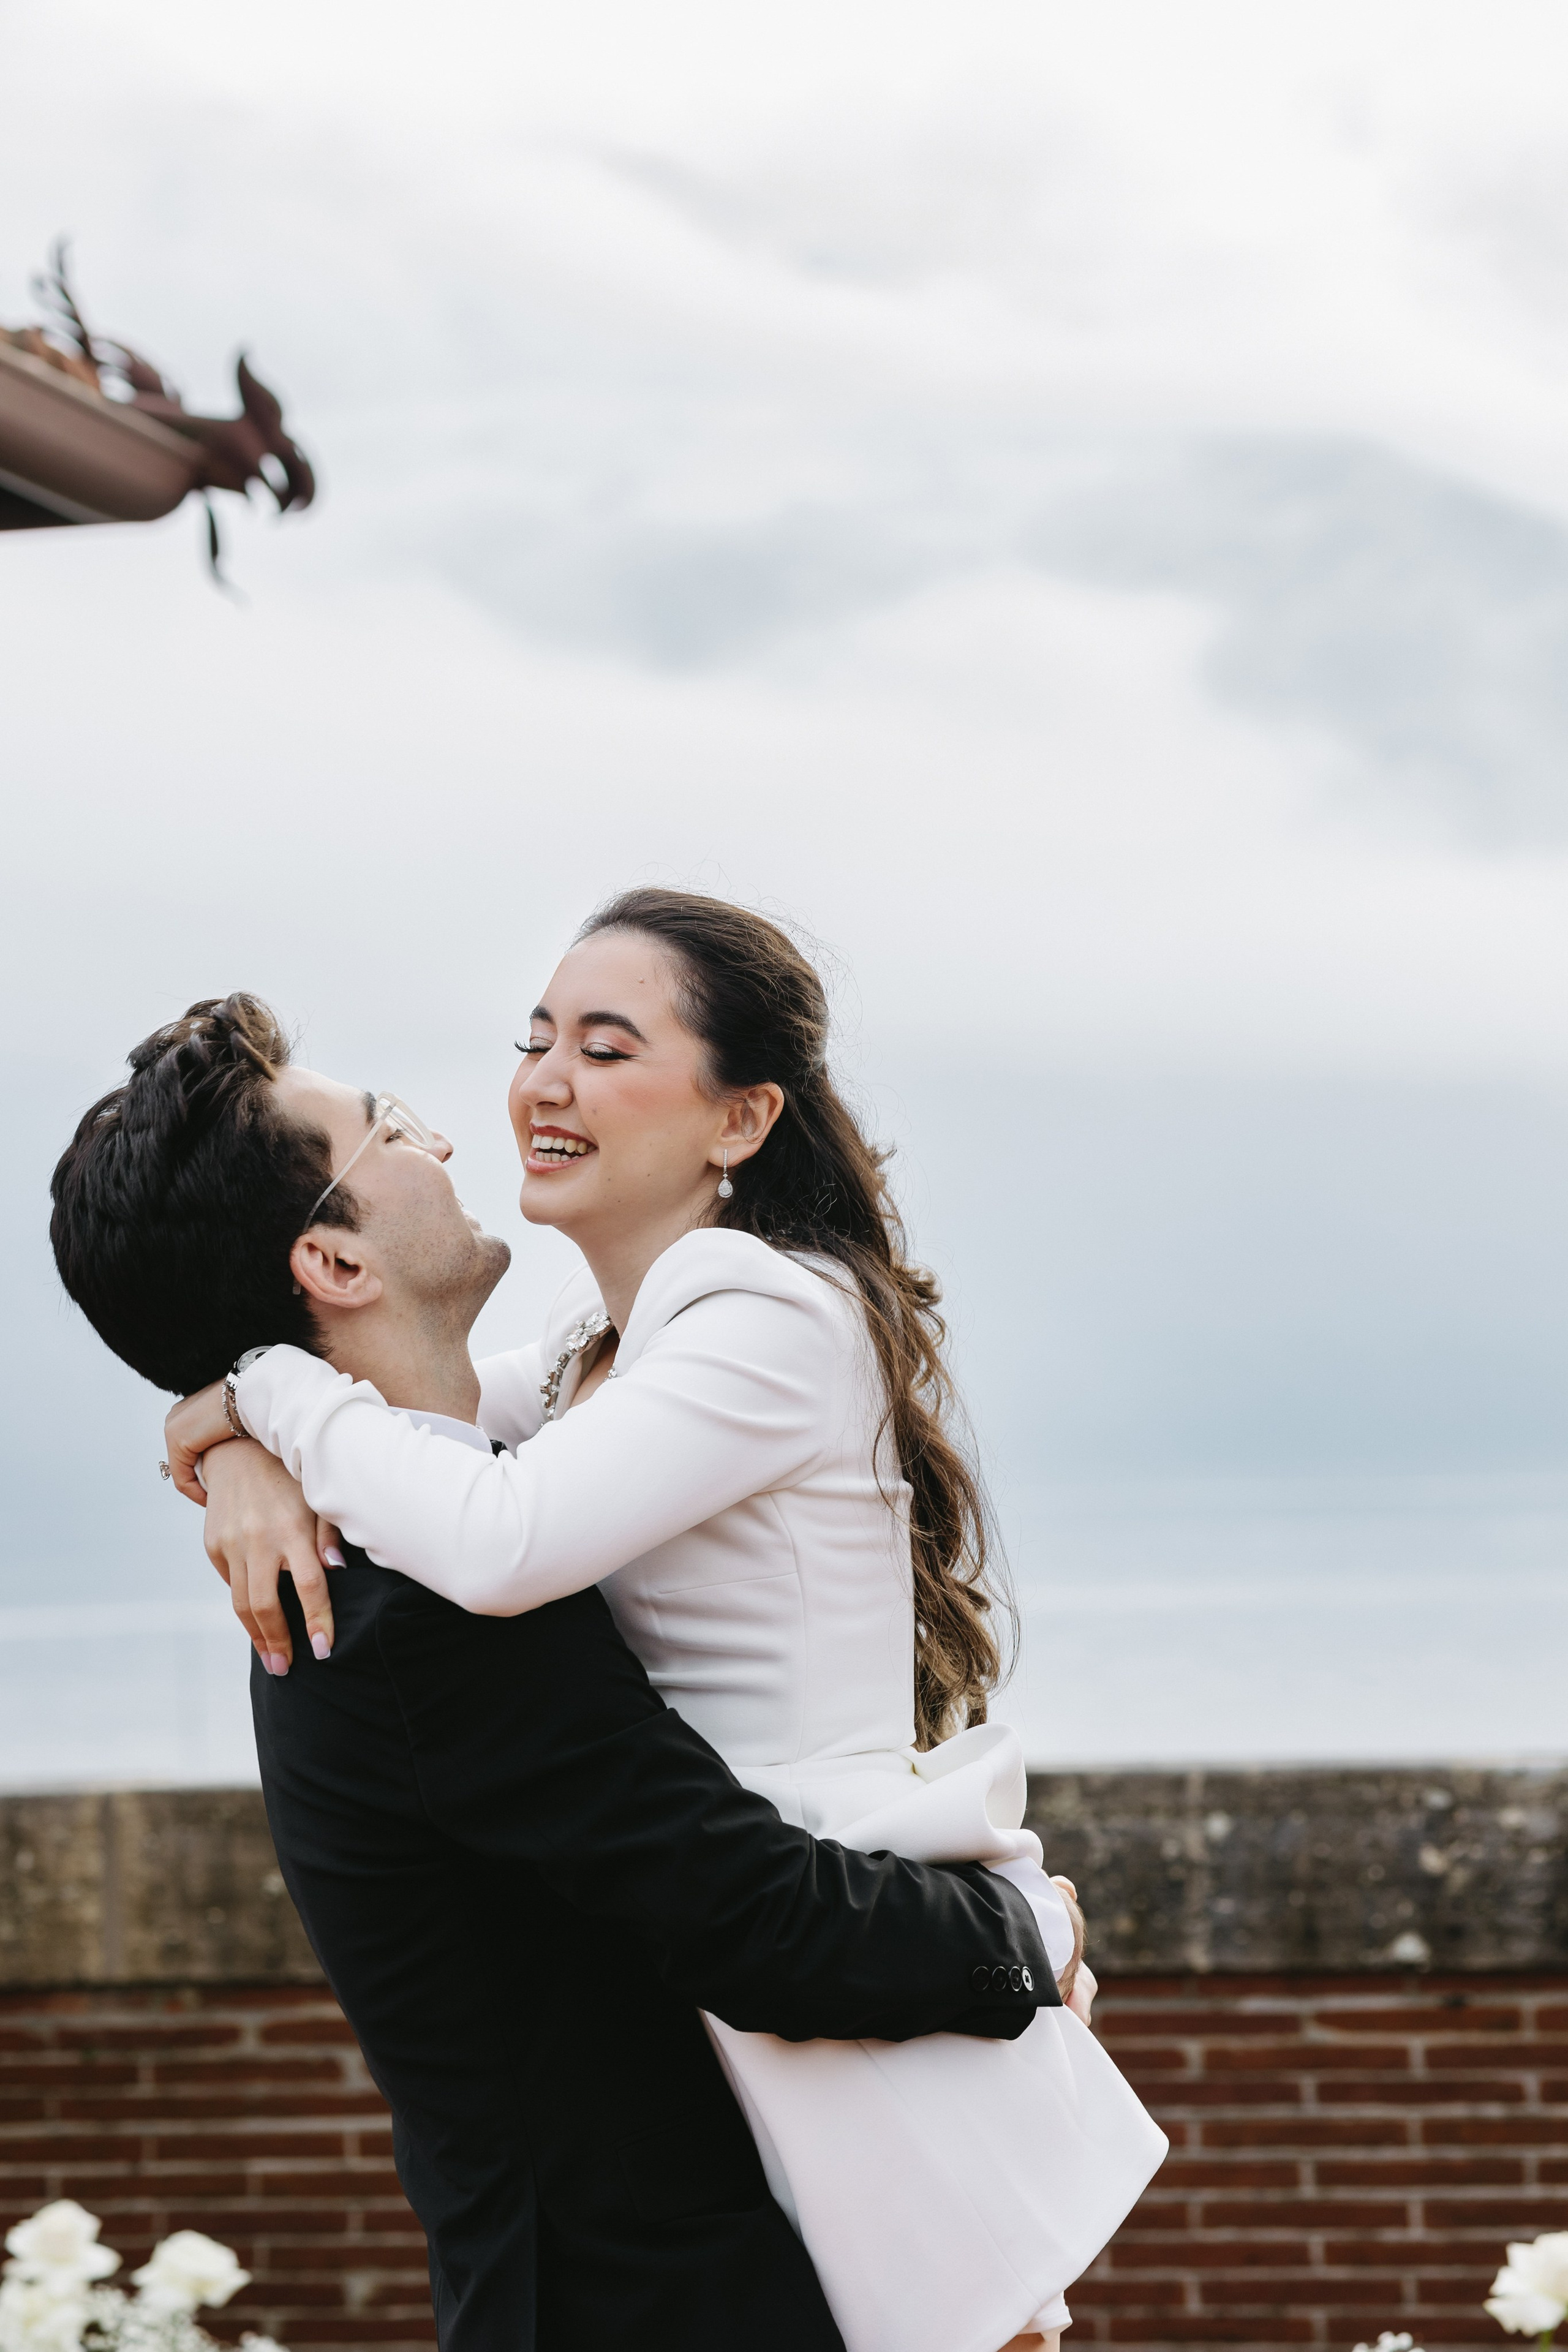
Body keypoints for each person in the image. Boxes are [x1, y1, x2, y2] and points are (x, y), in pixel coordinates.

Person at [163, 891, 1168, 2352]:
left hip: (833, 1939)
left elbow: (487, 1535)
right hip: (739, 1976)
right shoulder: (597, 1353)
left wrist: (259, 1396)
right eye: (535, 1039)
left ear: (739, 1120)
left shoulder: (763, 1312)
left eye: (607, 1046)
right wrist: (237, 1433)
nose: (541, 1082)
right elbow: (409, 1422)